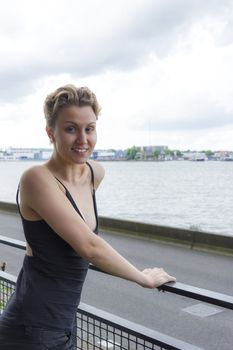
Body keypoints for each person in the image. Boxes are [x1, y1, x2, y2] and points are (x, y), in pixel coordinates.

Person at [0, 84, 176, 349]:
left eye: (89, 128)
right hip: (31, 327)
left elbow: (56, 233)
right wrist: (144, 279)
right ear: (51, 132)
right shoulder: (36, 179)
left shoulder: (95, 173)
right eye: (71, 129)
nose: (83, 139)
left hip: (64, 324)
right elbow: (90, 247)